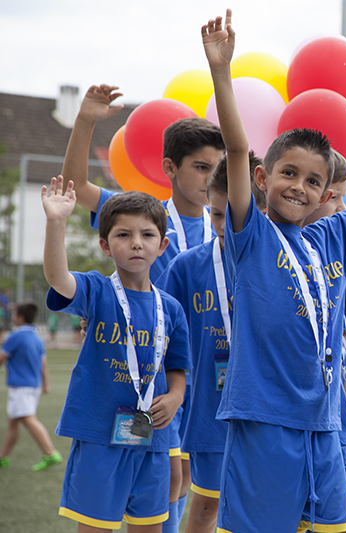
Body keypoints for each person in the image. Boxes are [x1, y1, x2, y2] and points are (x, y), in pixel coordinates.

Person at [201, 10, 346, 532]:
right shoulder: (249, 233)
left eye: (312, 180)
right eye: (288, 173)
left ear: (328, 193)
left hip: (324, 422)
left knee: (335, 524)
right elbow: (235, 147)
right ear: (262, 177)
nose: (299, 186)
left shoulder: (329, 236)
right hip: (264, 420)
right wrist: (221, 71)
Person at [62, 85, 225, 532]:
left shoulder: (231, 226)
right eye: (201, 168)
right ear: (170, 168)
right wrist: (86, 121)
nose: (211, 179)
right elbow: (75, 187)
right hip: (150, 379)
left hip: (210, 378)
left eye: (218, 169)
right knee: (167, 479)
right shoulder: (148, 219)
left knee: (198, 486)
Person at [43, 180, 191, 531]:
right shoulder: (95, 290)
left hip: (152, 439)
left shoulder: (170, 309)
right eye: (123, 235)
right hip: (99, 437)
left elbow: (177, 366)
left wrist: (175, 396)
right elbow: (58, 278)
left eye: (147, 235)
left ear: (163, 245)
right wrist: (56, 223)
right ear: (105, 245)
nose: (136, 243)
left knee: (150, 526)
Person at [155, 152, 260, 533]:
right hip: (211, 410)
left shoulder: (275, 261)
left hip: (267, 407)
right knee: (205, 507)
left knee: (260, 506)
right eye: (215, 214)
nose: (222, 224)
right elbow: (160, 324)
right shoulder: (186, 266)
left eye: (230, 214)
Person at [0, 302, 62, 471]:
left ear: (20, 318)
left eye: (14, 315)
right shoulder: (36, 337)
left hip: (20, 386)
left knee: (28, 419)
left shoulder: (15, 336)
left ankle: (50, 453)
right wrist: (46, 385)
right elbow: (44, 364)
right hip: (32, 385)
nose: (12, 318)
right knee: (13, 421)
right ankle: (3, 457)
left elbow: (2, 358)